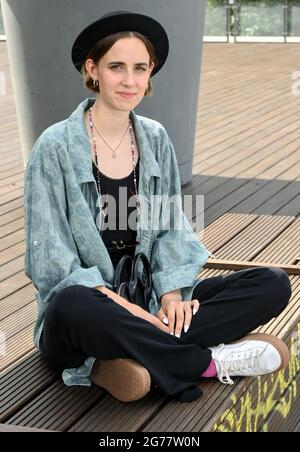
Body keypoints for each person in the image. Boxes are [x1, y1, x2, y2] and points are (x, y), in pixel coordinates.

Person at [24, 10, 292, 404]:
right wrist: (130, 313)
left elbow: (170, 228)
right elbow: (52, 263)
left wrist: (169, 296)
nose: (129, 80)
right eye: (116, 67)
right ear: (92, 69)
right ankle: (206, 363)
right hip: (87, 314)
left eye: (140, 67)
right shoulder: (55, 146)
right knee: (72, 304)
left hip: (148, 302)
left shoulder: (154, 138)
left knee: (271, 282)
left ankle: (123, 362)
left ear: (150, 74)